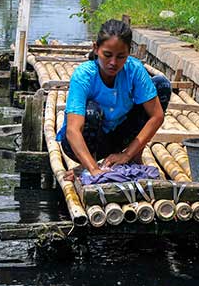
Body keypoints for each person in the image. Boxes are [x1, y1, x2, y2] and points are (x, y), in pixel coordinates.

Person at [57, 19, 171, 177]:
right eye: (107, 55)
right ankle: (89, 163)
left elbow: (157, 116)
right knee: (91, 112)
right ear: (96, 49)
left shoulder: (135, 70)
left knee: (161, 86)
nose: (113, 63)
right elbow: (73, 130)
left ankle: (134, 157)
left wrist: (127, 154)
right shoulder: (84, 75)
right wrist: (94, 170)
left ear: (129, 53)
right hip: (86, 142)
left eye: (120, 57)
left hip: (120, 137)